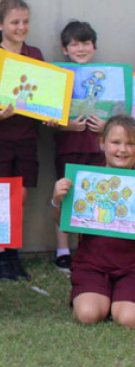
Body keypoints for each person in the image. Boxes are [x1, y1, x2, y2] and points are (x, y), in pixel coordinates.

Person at [0, 0, 44, 281]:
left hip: (27, 137)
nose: (21, 27)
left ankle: (14, 251)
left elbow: (44, 99)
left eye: (25, 22)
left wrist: (48, 115)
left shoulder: (36, 54)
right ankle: (0, 255)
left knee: (21, 196)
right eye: (15, 22)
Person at [52, 115, 135, 328]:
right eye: (116, 142)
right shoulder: (84, 180)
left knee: (128, 318)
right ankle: (102, 296)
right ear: (102, 143)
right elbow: (63, 223)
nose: (123, 150)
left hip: (131, 266)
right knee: (88, 315)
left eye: (131, 144)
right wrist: (57, 200)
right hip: (92, 265)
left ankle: (119, 300)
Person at [51, 20, 104, 273]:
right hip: (68, 147)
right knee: (66, 196)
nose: (81, 49)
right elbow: (46, 118)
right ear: (65, 49)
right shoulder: (56, 78)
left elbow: (121, 116)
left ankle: (87, 249)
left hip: (98, 147)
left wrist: (105, 126)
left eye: (86, 43)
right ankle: (62, 250)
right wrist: (65, 126)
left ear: (94, 47)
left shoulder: (108, 79)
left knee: (94, 198)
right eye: (75, 44)